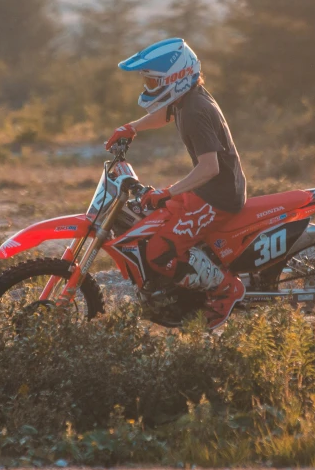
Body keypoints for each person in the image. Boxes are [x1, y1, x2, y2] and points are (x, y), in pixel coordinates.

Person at [105, 38, 246, 329]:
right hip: (207, 189)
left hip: (218, 196)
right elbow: (164, 115)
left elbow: (209, 167)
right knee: (152, 218)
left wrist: (167, 193)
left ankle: (226, 289)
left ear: (176, 78)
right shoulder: (187, 98)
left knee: (160, 250)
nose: (148, 87)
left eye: (153, 82)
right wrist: (131, 128)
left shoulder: (195, 111)